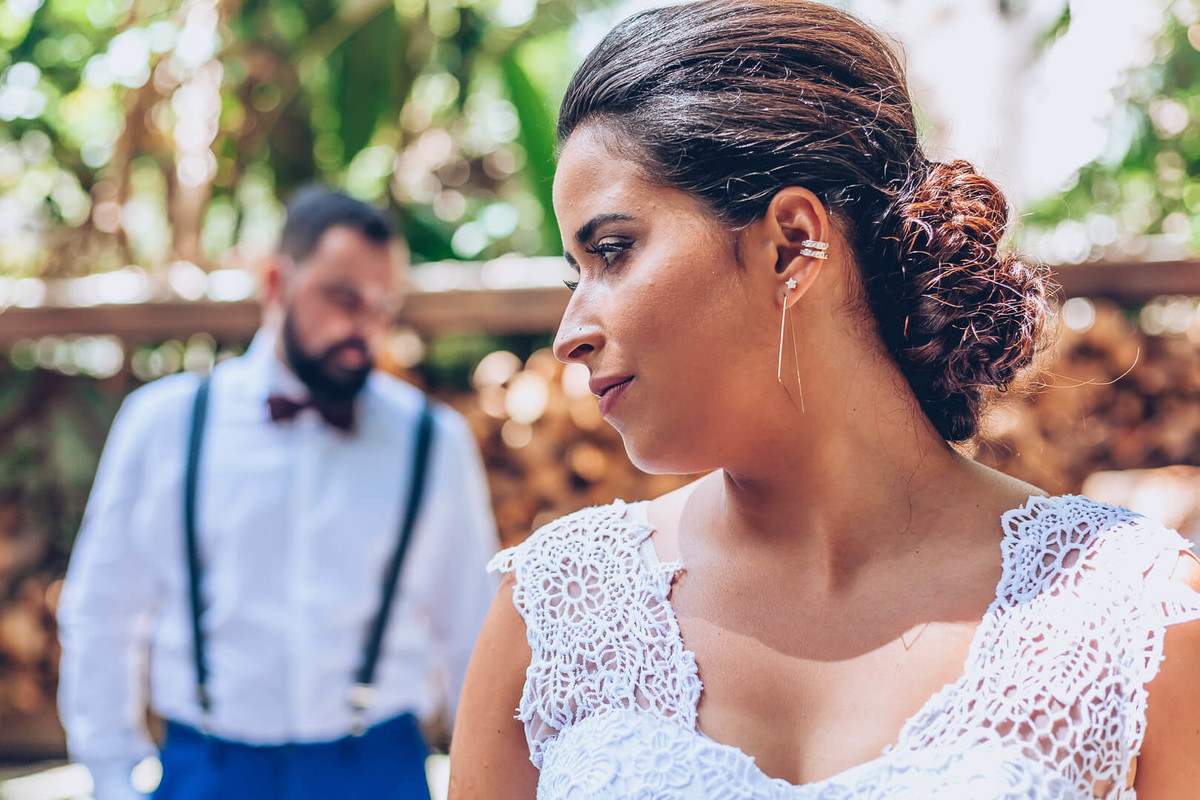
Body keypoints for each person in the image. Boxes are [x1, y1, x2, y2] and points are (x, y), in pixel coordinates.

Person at [448, 2, 1200, 798]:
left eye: (612, 251)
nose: (569, 334)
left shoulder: (1126, 613)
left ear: (791, 243)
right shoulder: (556, 616)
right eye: (577, 273)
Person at [58, 187, 498, 800]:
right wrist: (111, 778)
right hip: (205, 768)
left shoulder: (432, 440)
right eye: (342, 298)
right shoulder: (162, 424)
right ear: (274, 283)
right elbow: (103, 609)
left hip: (378, 768)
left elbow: (472, 630)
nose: (364, 329)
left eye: (383, 308)